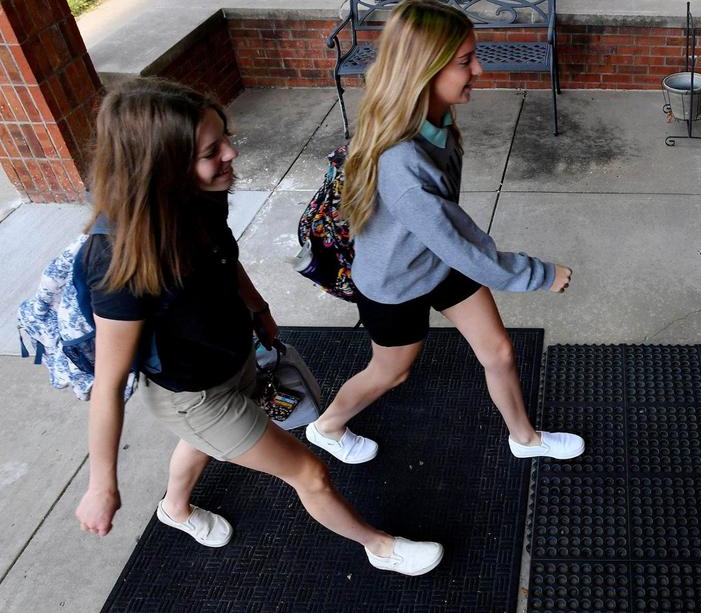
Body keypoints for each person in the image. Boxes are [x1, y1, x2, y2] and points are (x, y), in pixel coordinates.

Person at [74, 78, 443, 576]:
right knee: (309, 473)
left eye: (225, 137)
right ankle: (379, 547)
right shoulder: (117, 261)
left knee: (204, 442)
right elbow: (109, 382)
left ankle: (174, 509)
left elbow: (223, 259)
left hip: (234, 356)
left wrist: (259, 309)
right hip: (194, 396)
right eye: (211, 151)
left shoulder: (201, 196)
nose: (231, 153)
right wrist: (102, 485)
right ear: (162, 166)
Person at [305, 0, 584, 465]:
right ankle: (327, 426)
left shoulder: (433, 119)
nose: (479, 70)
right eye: (464, 61)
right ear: (423, 71)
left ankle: (525, 438)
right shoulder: (403, 163)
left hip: (436, 260)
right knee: (391, 372)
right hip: (394, 282)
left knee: (498, 351)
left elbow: (445, 236)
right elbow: (457, 240)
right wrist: (536, 274)